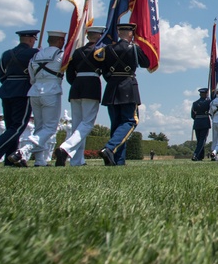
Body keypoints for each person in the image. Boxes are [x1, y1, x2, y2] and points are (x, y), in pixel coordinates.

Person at [91, 23, 151, 166]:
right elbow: (145, 63)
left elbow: (104, 70)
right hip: (128, 87)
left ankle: (117, 160)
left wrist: (113, 80)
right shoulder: (134, 49)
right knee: (130, 121)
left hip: (112, 88)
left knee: (117, 124)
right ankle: (110, 148)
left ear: (119, 33)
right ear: (131, 34)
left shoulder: (107, 49)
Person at [0, 29, 39, 166]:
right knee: (18, 126)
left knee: (11, 127)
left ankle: (9, 159)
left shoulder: (6, 54)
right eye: (34, 39)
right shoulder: (34, 53)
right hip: (23, 90)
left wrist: (10, 84)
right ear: (31, 40)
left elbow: (1, 74)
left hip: (6, 89)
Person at [9, 30, 65, 167]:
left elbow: (32, 77)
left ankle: (40, 160)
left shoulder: (36, 55)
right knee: (50, 127)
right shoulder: (61, 55)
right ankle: (23, 151)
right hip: (51, 91)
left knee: (39, 127)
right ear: (60, 41)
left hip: (34, 91)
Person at [55, 26, 105, 166]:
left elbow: (70, 74)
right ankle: (65, 148)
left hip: (76, 86)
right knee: (87, 123)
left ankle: (76, 160)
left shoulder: (77, 52)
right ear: (100, 36)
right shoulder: (100, 51)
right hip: (91, 85)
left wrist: (77, 82)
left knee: (77, 125)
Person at [190, 87, 212, 161]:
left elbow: (192, 115)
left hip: (197, 122)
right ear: (206, 94)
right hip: (205, 122)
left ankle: (200, 156)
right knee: (202, 140)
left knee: (199, 140)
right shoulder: (208, 102)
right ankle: (195, 154)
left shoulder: (195, 103)